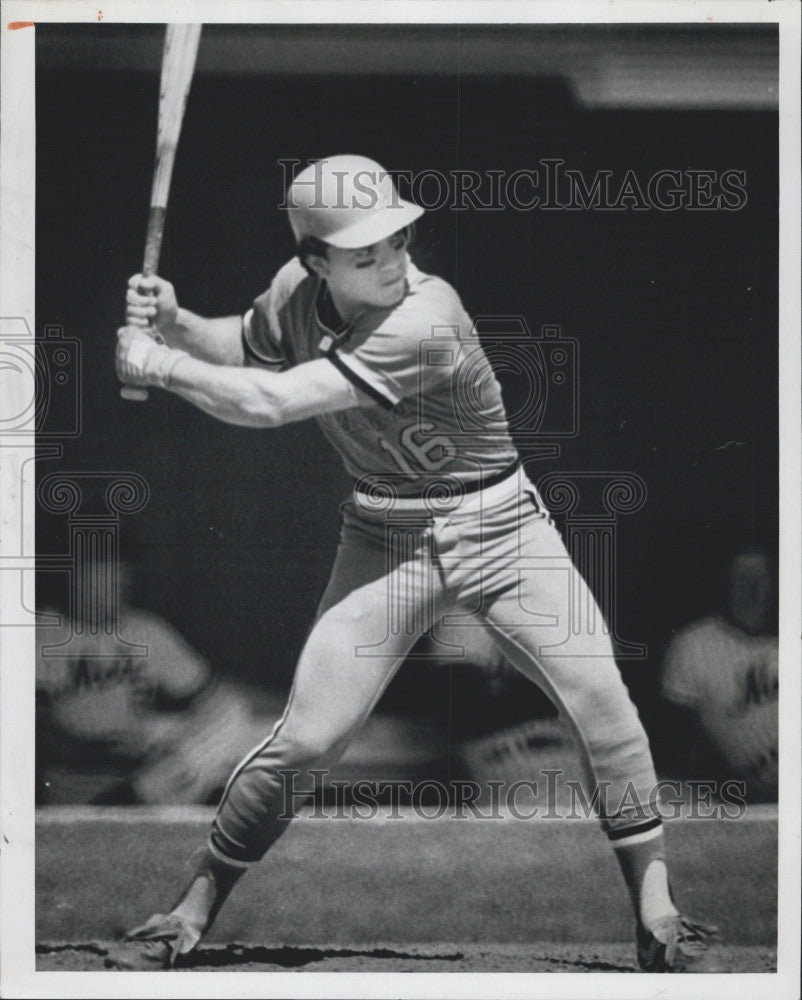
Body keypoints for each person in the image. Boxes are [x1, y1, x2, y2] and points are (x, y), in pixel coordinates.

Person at [109, 155, 718, 972]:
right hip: (384, 539)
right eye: (366, 253)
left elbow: (274, 402)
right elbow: (249, 351)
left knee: (603, 699)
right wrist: (181, 325)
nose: (394, 260)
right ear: (315, 261)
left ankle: (660, 917)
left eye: (398, 238)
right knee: (308, 739)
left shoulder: (426, 317)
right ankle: (187, 913)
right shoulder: (294, 290)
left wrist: (159, 365)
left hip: (502, 529)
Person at [36, 557, 283, 805]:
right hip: (79, 783)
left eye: (122, 575)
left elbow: (214, 695)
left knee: (236, 717)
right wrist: (98, 752)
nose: (121, 584)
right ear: (74, 577)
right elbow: (33, 736)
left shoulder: (144, 629)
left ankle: (142, 794)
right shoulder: (41, 632)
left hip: (144, 768)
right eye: (105, 575)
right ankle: (136, 796)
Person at [661, 546, 778, 801]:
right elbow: (676, 747)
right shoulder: (694, 645)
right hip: (746, 805)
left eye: (762, 579)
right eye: (742, 580)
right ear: (725, 586)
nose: (752, 589)